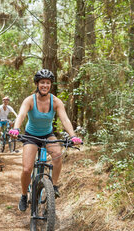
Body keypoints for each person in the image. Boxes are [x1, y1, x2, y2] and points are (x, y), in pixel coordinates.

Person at [9, 69, 82, 212]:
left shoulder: (56, 101)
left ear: (51, 85)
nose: (45, 85)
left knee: (57, 154)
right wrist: (16, 129)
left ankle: (53, 186)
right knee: (27, 169)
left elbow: (65, 119)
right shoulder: (30, 100)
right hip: (31, 136)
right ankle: (24, 195)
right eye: (42, 82)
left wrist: (73, 136)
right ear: (37, 84)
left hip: (48, 135)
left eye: (48, 83)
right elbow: (22, 115)